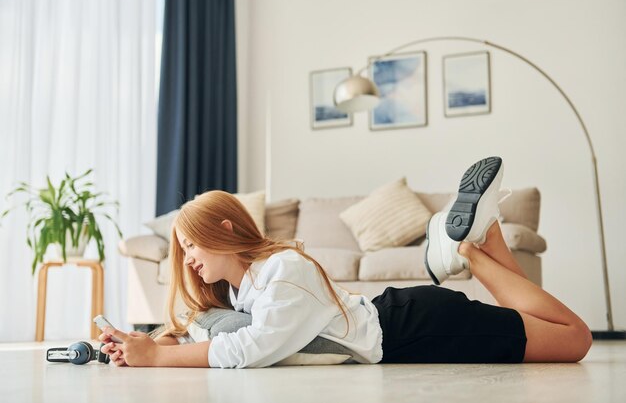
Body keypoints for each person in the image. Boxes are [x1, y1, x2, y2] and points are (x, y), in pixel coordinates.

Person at [100, 156, 592, 367]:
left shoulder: (281, 271)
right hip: (406, 321)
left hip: (421, 327)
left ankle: (465, 249)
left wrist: (161, 357)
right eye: (182, 249)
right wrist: (147, 342)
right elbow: (215, 330)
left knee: (575, 339)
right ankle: (482, 238)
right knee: (534, 324)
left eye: (192, 245)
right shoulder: (242, 288)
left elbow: (252, 349)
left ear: (226, 231)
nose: (186, 259)